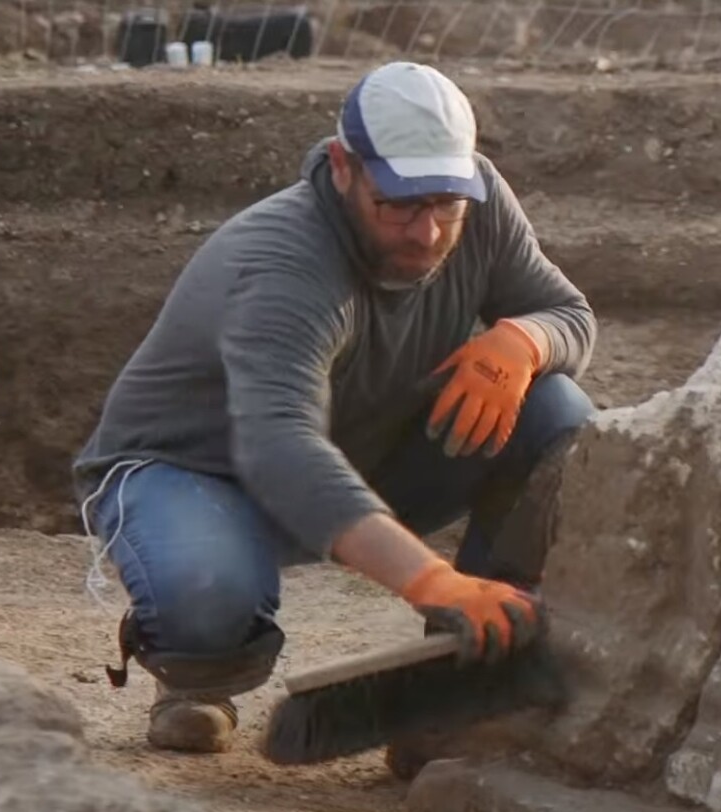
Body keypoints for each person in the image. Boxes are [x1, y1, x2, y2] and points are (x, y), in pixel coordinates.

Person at [72, 60, 597, 756]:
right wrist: (431, 578)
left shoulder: (479, 200)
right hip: (196, 471)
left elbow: (567, 312)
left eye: (446, 205)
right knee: (207, 590)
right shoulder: (284, 263)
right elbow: (281, 448)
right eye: (400, 205)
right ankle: (196, 674)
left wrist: (523, 339)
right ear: (345, 167)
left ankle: (466, 669)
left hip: (358, 449)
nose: (428, 234)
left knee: (555, 407)